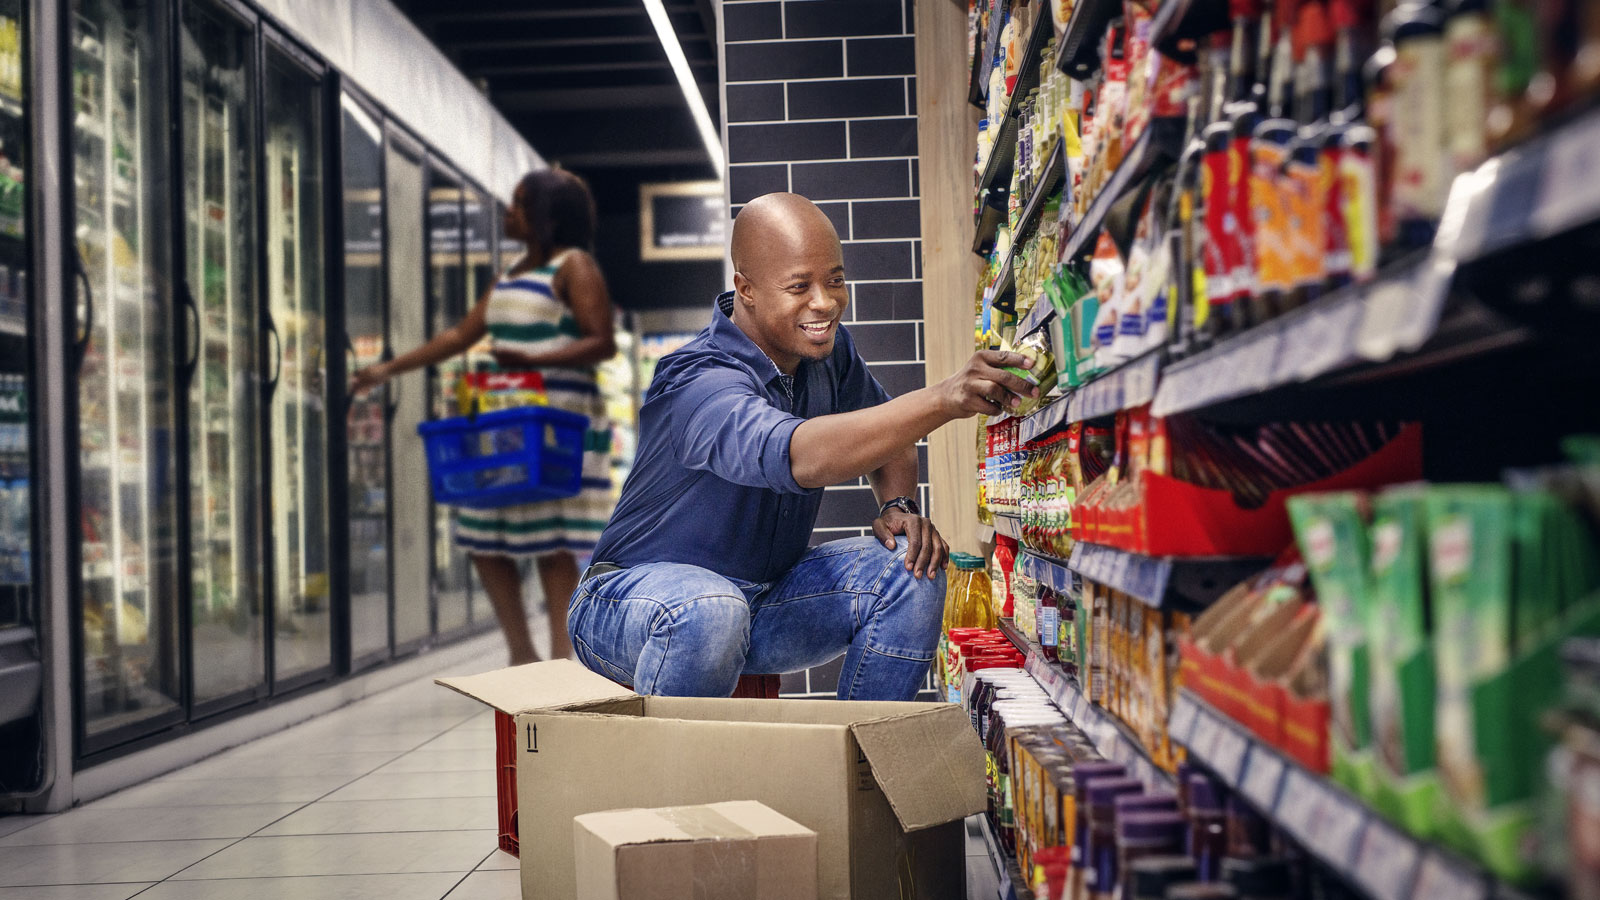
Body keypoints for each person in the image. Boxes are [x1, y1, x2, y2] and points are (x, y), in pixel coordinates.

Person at [568, 192, 1037, 700]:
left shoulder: (828, 357)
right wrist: (944, 398)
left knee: (911, 568)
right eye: (799, 286)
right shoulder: (696, 381)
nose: (825, 302)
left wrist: (898, 505)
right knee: (708, 610)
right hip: (630, 605)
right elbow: (799, 456)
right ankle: (688, 781)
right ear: (745, 289)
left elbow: (887, 435)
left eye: (835, 279)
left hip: (760, 602)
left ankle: (862, 765)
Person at [352, 168, 616, 665]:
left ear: (546, 216)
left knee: (553, 540)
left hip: (557, 428)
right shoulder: (508, 278)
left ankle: (563, 660)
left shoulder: (574, 266)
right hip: (506, 426)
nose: (508, 213)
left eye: (518, 204)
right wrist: (385, 370)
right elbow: (457, 337)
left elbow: (600, 341)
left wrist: (531, 360)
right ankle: (521, 654)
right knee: (480, 531)